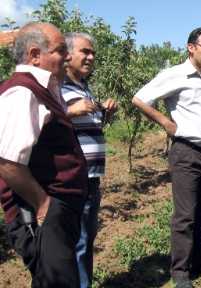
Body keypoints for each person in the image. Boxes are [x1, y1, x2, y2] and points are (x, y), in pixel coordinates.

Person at [132, 27, 201, 288]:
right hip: (186, 152)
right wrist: (165, 122)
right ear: (191, 47)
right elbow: (140, 99)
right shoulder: (175, 75)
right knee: (185, 215)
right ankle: (180, 272)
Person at [0, 22, 88, 287]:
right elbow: (7, 162)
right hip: (40, 212)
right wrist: (43, 204)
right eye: (61, 50)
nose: (69, 56)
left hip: (56, 209)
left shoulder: (45, 89)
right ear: (35, 55)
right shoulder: (21, 92)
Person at [62, 32, 118, 288]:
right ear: (68, 54)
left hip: (91, 178)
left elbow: (90, 125)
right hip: (73, 178)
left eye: (92, 52)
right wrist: (70, 110)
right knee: (77, 242)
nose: (91, 56)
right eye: (85, 51)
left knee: (85, 240)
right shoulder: (56, 86)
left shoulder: (84, 86)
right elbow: (40, 119)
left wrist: (105, 112)